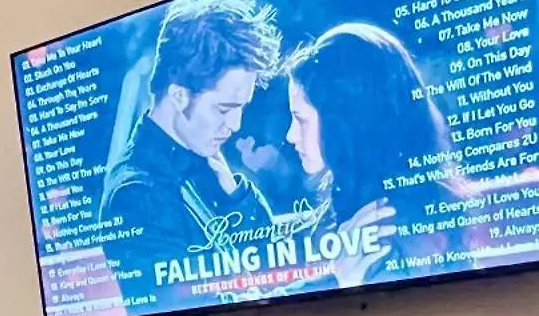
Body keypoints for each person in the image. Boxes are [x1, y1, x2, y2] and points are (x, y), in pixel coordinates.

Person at [100, 0, 283, 266]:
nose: (236, 125)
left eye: (242, 107)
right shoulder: (134, 194)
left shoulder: (208, 166)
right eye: (224, 108)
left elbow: (272, 267)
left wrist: (236, 196)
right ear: (179, 96)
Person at [284, 23, 459, 286]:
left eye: (301, 119)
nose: (290, 135)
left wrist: (340, 285)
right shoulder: (355, 208)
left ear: (346, 122)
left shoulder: (385, 228)